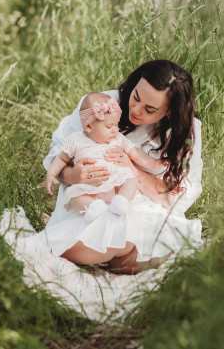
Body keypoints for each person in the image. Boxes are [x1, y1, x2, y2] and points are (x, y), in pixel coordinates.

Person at [41, 59, 203, 274]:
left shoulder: (185, 131)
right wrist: (71, 175)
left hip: (139, 202)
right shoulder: (100, 106)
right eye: (136, 97)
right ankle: (90, 251)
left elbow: (176, 197)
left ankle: (106, 256)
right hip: (92, 198)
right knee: (100, 243)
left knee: (149, 251)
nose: (135, 109)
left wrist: (134, 171)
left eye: (150, 109)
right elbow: (57, 154)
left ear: (170, 112)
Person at [44, 92, 165, 219]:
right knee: (74, 197)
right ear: (89, 127)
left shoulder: (118, 138)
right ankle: (93, 207)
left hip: (115, 181)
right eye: (109, 126)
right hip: (88, 185)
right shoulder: (76, 139)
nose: (115, 130)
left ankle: (121, 201)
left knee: (131, 180)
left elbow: (136, 153)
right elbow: (61, 158)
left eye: (116, 124)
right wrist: (51, 174)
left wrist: (154, 163)